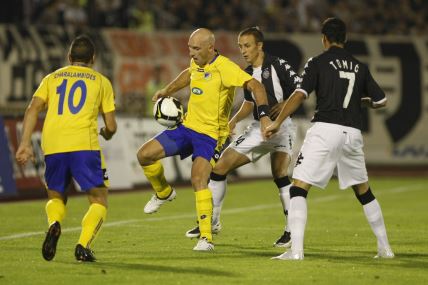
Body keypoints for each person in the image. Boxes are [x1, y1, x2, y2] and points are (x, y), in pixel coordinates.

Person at [265, 17, 394, 260]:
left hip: (325, 130)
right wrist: (362, 101)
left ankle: (296, 252)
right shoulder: (360, 66)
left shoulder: (318, 62)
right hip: (352, 134)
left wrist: (277, 121)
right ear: (345, 39)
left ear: (324, 39)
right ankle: (385, 248)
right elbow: (381, 101)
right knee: (364, 192)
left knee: (298, 188)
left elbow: (300, 94)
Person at [136, 28, 271, 251]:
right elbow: (188, 75)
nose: (192, 53)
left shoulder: (225, 67)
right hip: (187, 127)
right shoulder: (196, 63)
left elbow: (256, 86)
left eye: (196, 49)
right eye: (190, 48)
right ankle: (163, 192)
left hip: (210, 136)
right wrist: (166, 91)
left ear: (211, 47)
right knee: (144, 155)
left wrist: (264, 115)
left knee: (198, 178)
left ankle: (206, 237)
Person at [185, 27, 300, 248]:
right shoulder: (247, 72)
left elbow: (300, 90)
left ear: (259, 46)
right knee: (219, 168)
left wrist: (282, 107)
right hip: (258, 128)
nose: (243, 50)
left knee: (280, 175)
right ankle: (212, 221)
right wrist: (234, 121)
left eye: (247, 46)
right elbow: (249, 103)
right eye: (240, 46)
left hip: (281, 127)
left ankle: (291, 230)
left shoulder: (278, 64)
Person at [16, 35, 117, 262]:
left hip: (53, 144)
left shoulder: (52, 78)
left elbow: (33, 108)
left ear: (69, 57)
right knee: (99, 199)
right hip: (84, 145)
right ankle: (83, 245)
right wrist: (107, 133)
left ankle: (54, 224)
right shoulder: (101, 81)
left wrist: (24, 144)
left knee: (56, 196)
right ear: (93, 58)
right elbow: (111, 125)